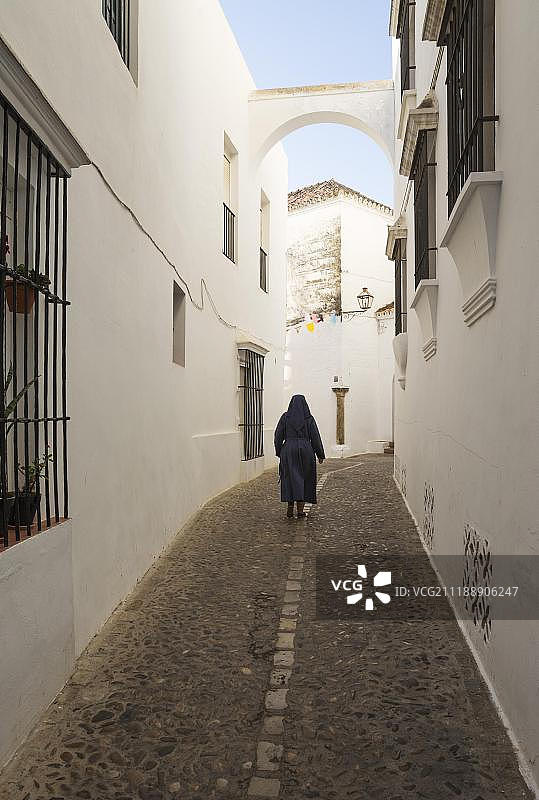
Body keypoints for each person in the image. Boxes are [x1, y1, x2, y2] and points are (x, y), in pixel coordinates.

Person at [274, 395, 325, 518]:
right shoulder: (309, 419)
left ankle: (290, 508)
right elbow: (315, 437)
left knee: (289, 478)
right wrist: (320, 454)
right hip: (306, 449)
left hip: (288, 449)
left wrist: (280, 451)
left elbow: (278, 436)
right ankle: (300, 510)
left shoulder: (285, 417)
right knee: (305, 478)